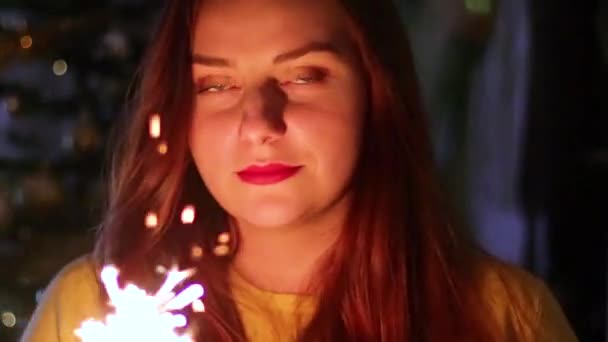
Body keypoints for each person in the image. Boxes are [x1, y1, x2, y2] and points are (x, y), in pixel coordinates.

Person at [21, 0, 578, 341]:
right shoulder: (95, 310)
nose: (259, 122)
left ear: (375, 93)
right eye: (216, 85)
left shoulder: (502, 313)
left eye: (304, 76)